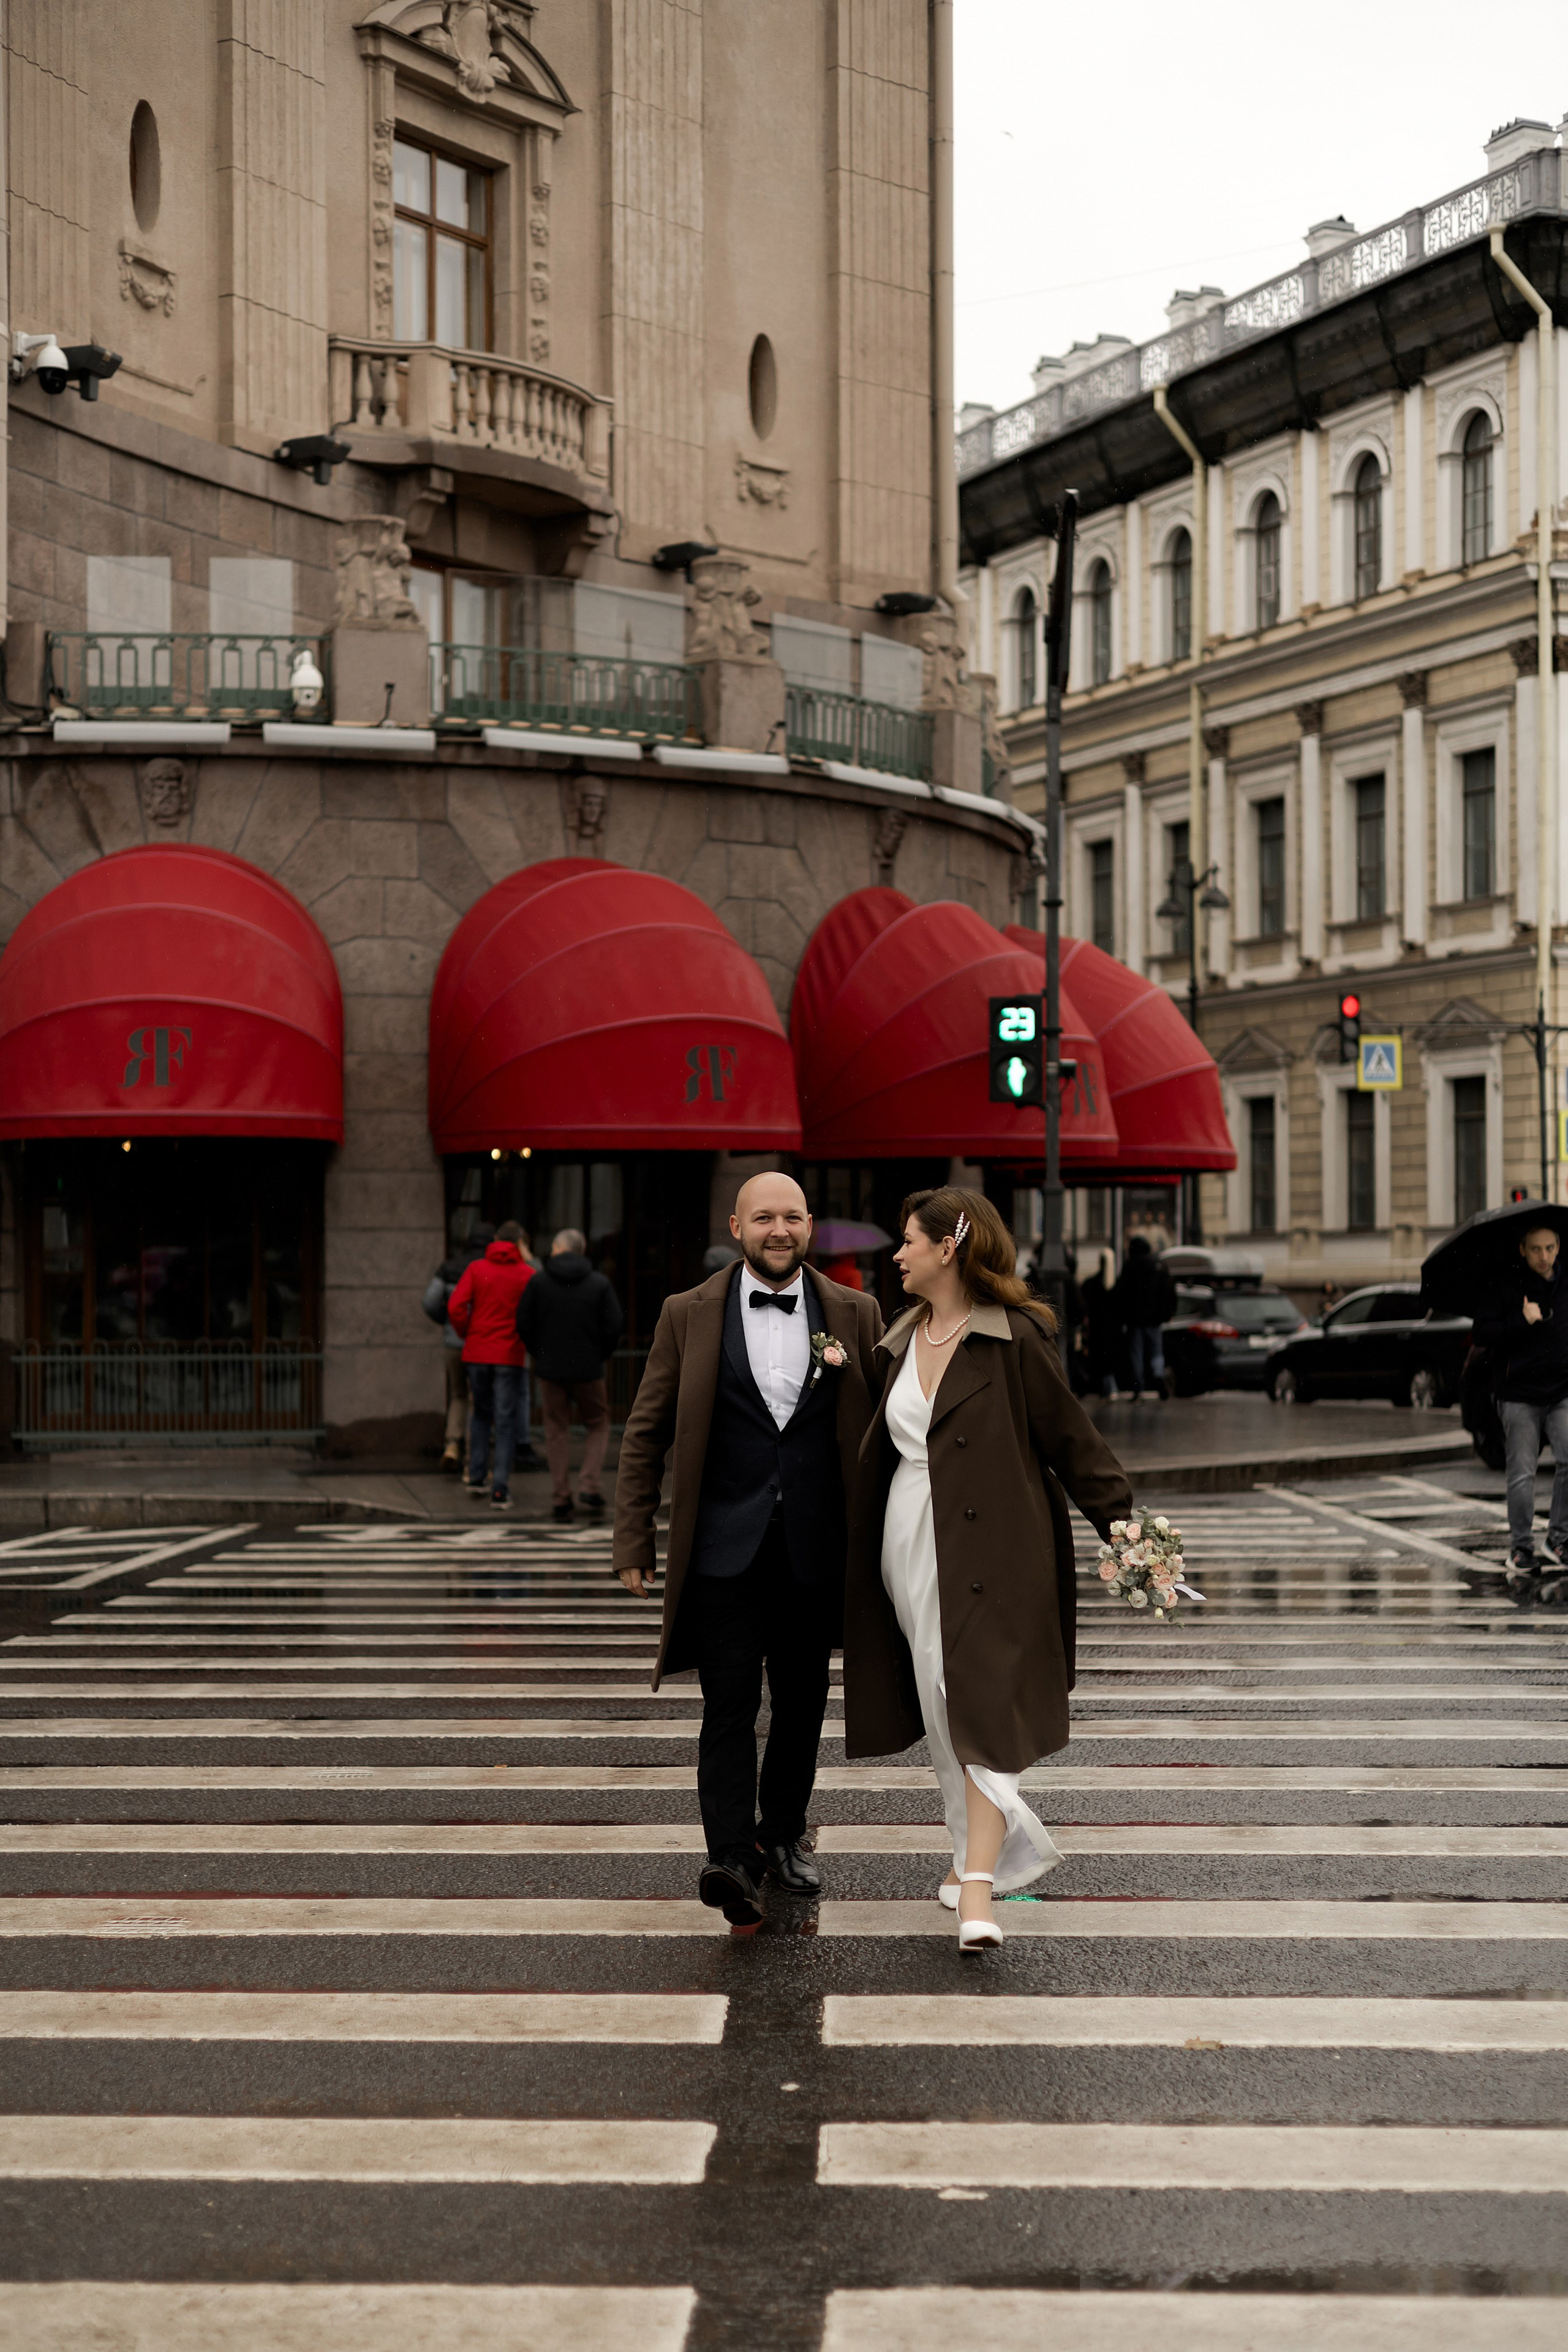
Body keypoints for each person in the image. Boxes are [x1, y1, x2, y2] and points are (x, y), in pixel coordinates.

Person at [843, 1187, 1132, 1951]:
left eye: (908, 1241)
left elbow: (1073, 1442)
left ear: (948, 1248)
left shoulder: (1014, 1337)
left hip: (1000, 1554)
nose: (896, 1254)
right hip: (910, 1547)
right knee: (942, 1709)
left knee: (976, 1704)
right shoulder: (898, 1339)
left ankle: (980, 1888)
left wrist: (1126, 1532)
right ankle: (976, 1853)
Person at [613, 1171, 883, 1926]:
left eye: (791, 1217)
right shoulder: (686, 1314)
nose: (779, 1230)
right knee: (728, 1704)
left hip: (812, 1548)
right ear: (737, 1225)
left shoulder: (856, 1313)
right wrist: (633, 1536)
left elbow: (886, 1433)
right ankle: (731, 1857)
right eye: (764, 1217)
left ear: (809, 1226)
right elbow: (646, 1432)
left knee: (801, 1703)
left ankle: (782, 1836)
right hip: (723, 1550)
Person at [1471, 1221, 1568, 1587]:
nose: (1544, 1257)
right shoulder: (1504, 1285)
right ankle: (1521, 1548)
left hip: (1561, 1391)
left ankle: (1559, 1540)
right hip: (1519, 1394)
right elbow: (1482, 1333)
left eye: (1550, 1248)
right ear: (1522, 1250)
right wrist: (1522, 1321)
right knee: (1523, 1474)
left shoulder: (1564, 1282)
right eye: (1536, 1250)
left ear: (1559, 1247)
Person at [517, 1227, 624, 1525]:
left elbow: (524, 1322)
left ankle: (561, 1495)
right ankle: (589, 1485)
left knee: (556, 1430)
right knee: (599, 1424)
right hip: (589, 1369)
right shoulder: (599, 1283)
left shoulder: (539, 1282)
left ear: (558, 1248)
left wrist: (540, 1352)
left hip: (550, 1369)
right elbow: (615, 1325)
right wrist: (599, 1353)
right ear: (582, 1250)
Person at [448, 1219, 533, 1510]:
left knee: (480, 1414)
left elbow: (455, 1306)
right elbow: (532, 1315)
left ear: (496, 1240)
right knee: (506, 1422)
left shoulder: (477, 1269)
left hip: (477, 1352)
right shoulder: (526, 1274)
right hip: (509, 1355)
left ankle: (476, 1476)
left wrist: (467, 1332)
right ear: (520, 1242)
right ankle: (500, 1488)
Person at [421, 1222, 492, 1471]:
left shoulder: (450, 1267)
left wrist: (448, 1322)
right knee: (479, 1400)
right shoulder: (490, 1268)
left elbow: (430, 1302)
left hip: (453, 1342)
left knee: (458, 1395)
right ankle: (473, 1455)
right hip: (482, 1344)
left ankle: (452, 1444)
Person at [1115, 1234, 1176, 1400]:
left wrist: (1123, 1317)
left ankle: (1138, 1387)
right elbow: (1169, 1292)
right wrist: (1166, 1314)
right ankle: (1158, 1375)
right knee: (1156, 1352)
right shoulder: (1158, 1266)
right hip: (1155, 1320)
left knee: (1137, 1354)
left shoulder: (1130, 1266)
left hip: (1134, 1320)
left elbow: (1122, 1294)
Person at [1081, 1245, 1121, 1399]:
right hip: (1112, 1330)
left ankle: (1103, 1389)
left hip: (1097, 1329)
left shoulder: (1091, 1284)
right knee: (1109, 1360)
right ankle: (1111, 1389)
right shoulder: (1115, 1285)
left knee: (1099, 1360)